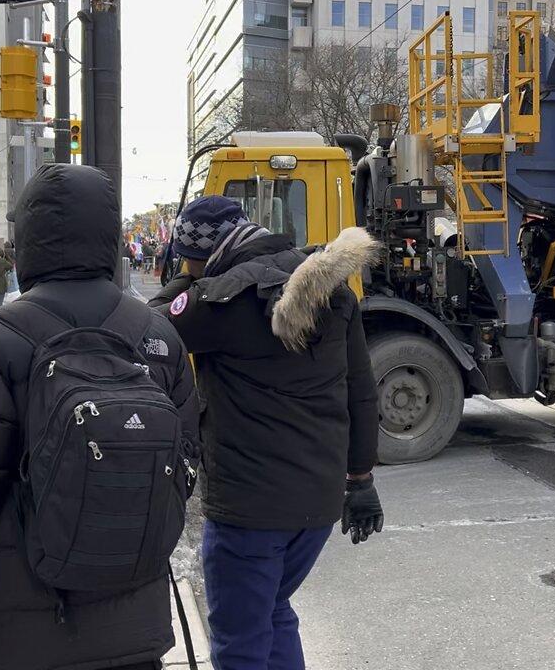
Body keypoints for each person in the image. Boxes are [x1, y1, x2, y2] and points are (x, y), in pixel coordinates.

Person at [0, 164, 199, 670]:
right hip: (134, 627)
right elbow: (184, 467)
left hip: (18, 635)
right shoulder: (158, 337)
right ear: (109, 237)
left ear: (30, 239)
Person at [149, 196, 385, 670]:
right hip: (316, 507)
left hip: (248, 512)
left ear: (202, 254)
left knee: (239, 641)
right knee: (275, 611)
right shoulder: (333, 293)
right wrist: (361, 481)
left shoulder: (216, 302)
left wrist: (186, 278)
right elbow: (361, 393)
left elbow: (150, 327)